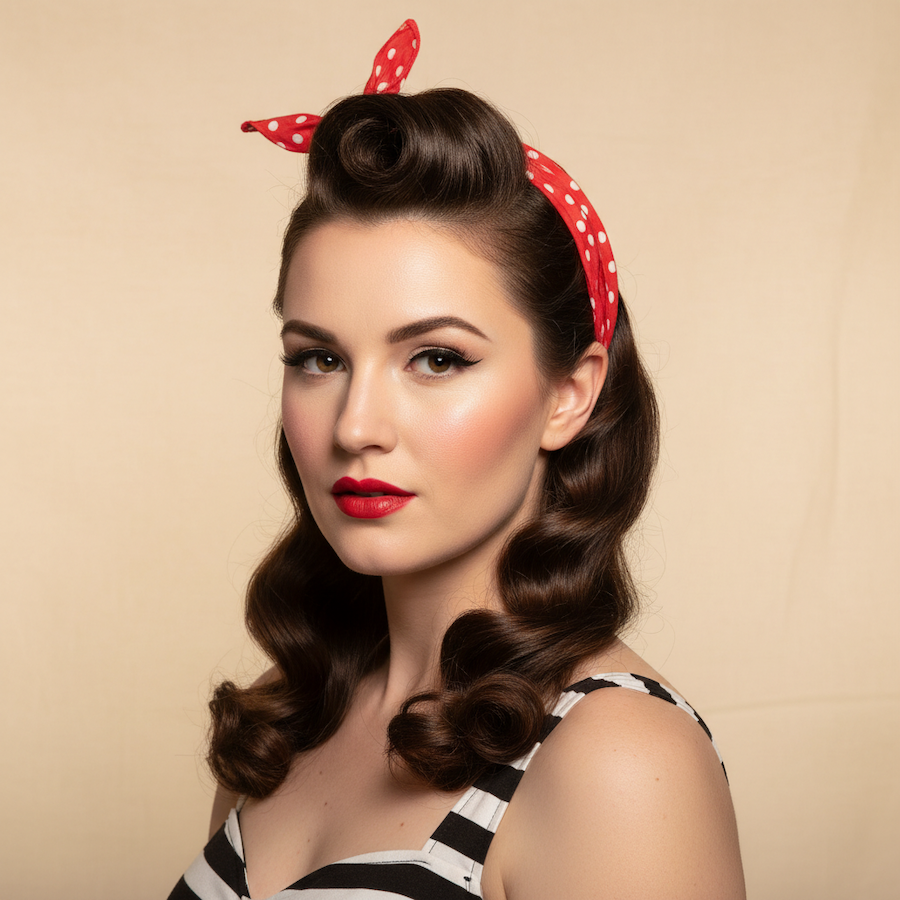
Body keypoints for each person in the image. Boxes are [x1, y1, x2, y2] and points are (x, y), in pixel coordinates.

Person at [169, 20, 745, 900]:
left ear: (569, 394)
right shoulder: (285, 716)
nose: (357, 425)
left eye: (437, 359)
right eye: (318, 358)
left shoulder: (617, 765)